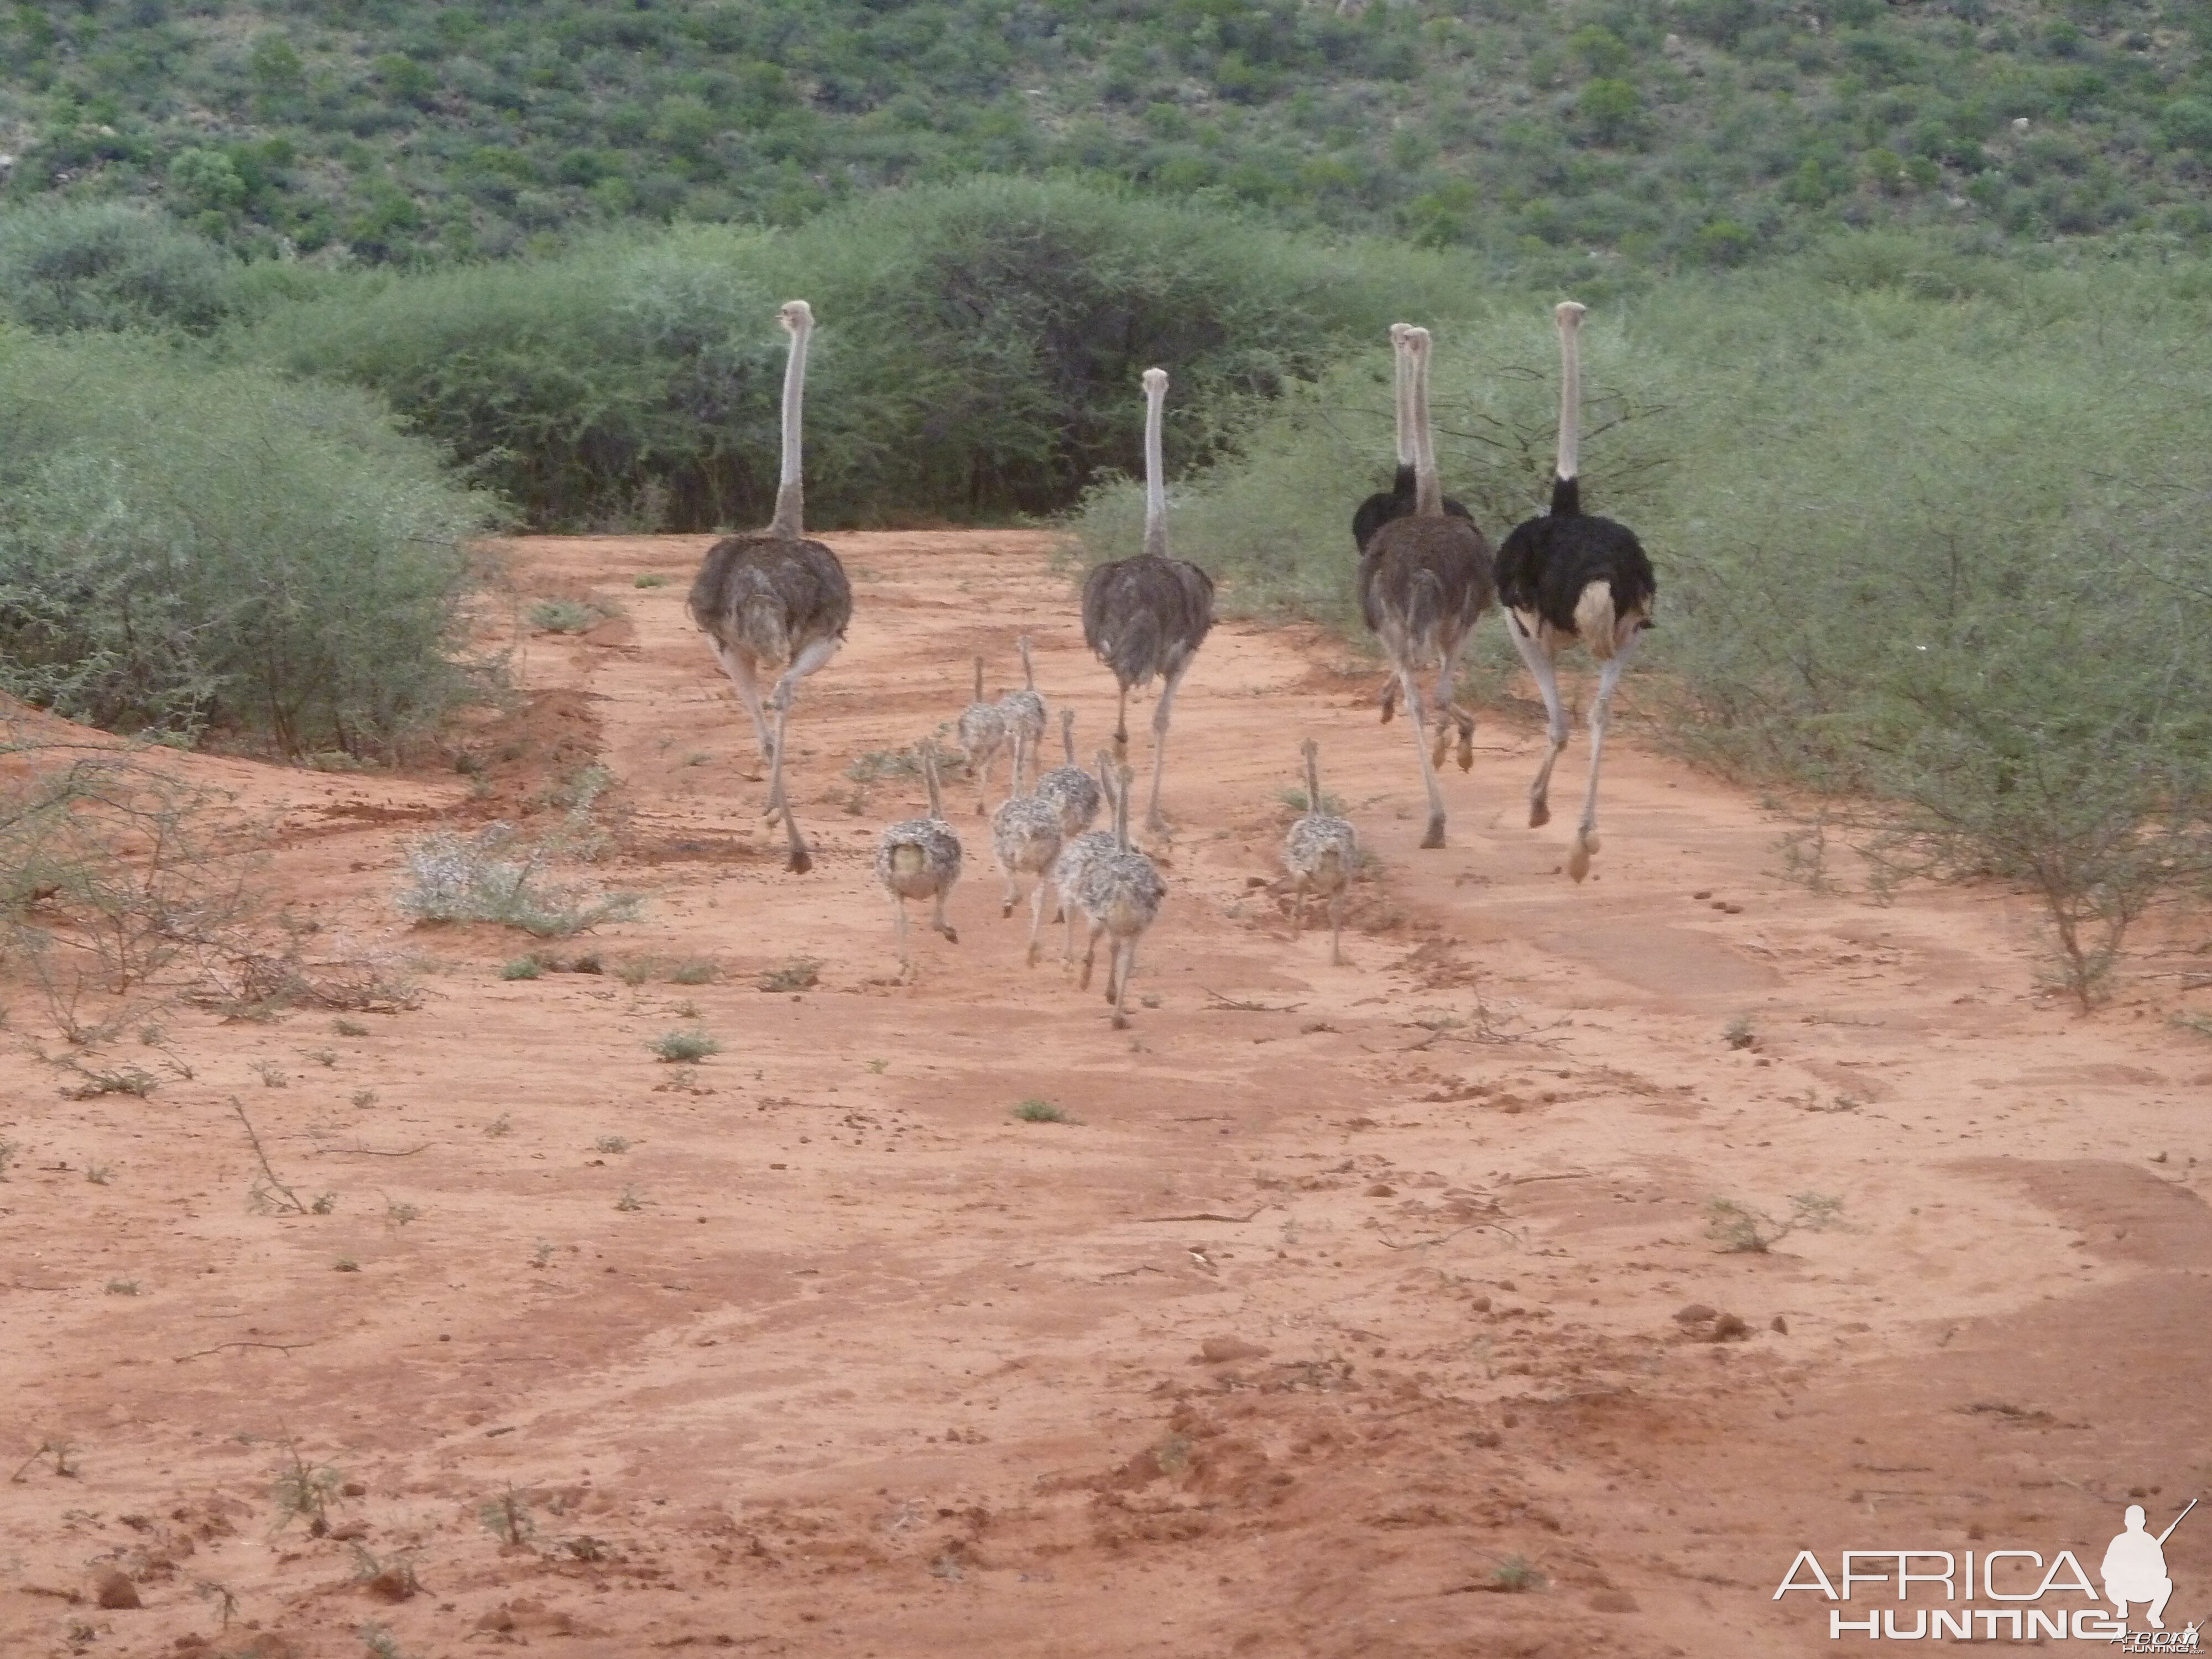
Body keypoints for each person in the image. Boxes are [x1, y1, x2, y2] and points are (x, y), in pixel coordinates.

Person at [2103, 1505, 2176, 1629]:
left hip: (2146, 1588)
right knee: (2110, 1582)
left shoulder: (2151, 1542)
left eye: (2137, 1521)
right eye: (2132, 1521)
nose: (2134, 1524)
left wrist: (2146, 1572)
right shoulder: (2118, 1541)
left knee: (2167, 1583)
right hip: (2123, 1589)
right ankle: (2122, 1606)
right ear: (2126, 1522)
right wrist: (2124, 1572)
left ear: (2143, 1522)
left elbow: (2162, 1571)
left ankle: (2154, 1615)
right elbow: (2106, 1570)